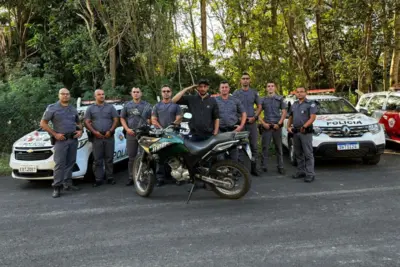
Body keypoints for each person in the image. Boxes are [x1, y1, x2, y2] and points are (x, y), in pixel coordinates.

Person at [40, 88, 83, 198]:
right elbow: (43, 123)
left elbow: (78, 122)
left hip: (73, 139)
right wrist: (55, 134)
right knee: (59, 164)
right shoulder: (52, 108)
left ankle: (67, 184)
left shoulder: (73, 109)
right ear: (59, 95)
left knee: (70, 162)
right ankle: (57, 187)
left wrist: (80, 131)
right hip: (61, 139)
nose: (65, 96)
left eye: (67, 94)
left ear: (70, 96)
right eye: (63, 94)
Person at [84, 89, 119, 187]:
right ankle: (98, 179)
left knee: (109, 158)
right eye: (99, 94)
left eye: (103, 94)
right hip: (97, 137)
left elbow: (116, 119)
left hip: (109, 136)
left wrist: (111, 130)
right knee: (97, 159)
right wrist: (94, 132)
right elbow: (86, 122)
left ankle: (110, 177)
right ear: (95, 96)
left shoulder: (111, 107)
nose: (101, 96)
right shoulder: (90, 108)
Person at [151, 85, 183, 186]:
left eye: (168, 91)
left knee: (174, 156)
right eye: (164, 91)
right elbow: (153, 119)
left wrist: (171, 127)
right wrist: (161, 129)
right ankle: (160, 178)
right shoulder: (157, 106)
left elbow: (179, 118)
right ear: (161, 93)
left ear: (171, 92)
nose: (166, 93)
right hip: (160, 134)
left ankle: (176, 177)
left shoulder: (176, 106)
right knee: (160, 156)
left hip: (173, 134)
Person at [120, 87, 152, 186]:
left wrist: (149, 122)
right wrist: (127, 129)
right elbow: (122, 118)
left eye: (138, 92)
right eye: (134, 92)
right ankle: (131, 177)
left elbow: (152, 118)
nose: (136, 94)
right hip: (131, 133)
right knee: (131, 157)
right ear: (131, 93)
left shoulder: (147, 105)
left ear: (141, 93)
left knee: (144, 157)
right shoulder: (127, 105)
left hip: (144, 134)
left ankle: (143, 176)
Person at [232, 72, 262, 176]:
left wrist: (255, 117)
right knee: (239, 146)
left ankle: (254, 168)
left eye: (247, 78)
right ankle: (241, 169)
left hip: (252, 122)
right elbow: (233, 107)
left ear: (250, 80)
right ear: (240, 81)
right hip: (240, 123)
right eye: (243, 78)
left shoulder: (254, 92)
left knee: (254, 146)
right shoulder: (236, 93)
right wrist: (240, 118)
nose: (245, 80)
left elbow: (259, 106)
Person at [287, 87, 317, 183]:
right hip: (296, 132)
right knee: (298, 153)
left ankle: (310, 174)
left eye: (301, 92)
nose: (299, 94)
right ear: (295, 93)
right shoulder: (294, 104)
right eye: (298, 92)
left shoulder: (310, 104)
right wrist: (288, 126)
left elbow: (312, 117)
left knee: (308, 154)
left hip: (305, 132)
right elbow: (291, 117)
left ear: (305, 93)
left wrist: (304, 126)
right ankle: (301, 171)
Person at [259, 82, 287, 174]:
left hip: (276, 127)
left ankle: (281, 166)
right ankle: (263, 166)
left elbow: (284, 112)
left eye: (272, 86)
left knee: (279, 147)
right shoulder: (262, 100)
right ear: (266, 89)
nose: (270, 88)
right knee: (265, 147)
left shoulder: (280, 99)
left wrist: (279, 124)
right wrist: (263, 124)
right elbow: (257, 113)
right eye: (268, 86)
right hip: (267, 127)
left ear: (275, 88)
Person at [215, 81, 247, 161]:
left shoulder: (235, 100)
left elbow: (244, 113)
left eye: (226, 87)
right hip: (220, 131)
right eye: (222, 87)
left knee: (234, 154)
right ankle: (222, 172)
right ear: (219, 89)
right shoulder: (214, 101)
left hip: (233, 130)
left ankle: (234, 172)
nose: (224, 89)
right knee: (220, 155)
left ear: (229, 89)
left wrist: (241, 126)